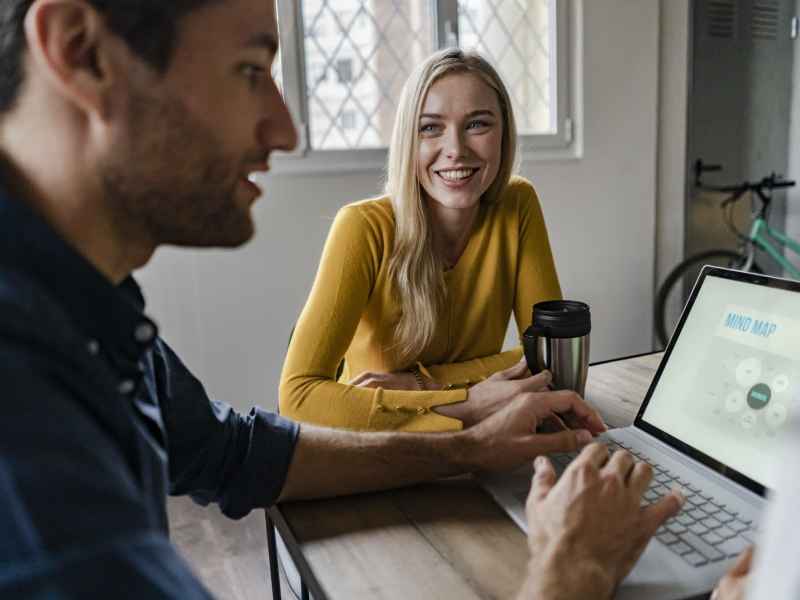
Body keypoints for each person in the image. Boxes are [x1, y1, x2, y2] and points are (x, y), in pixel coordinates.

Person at [0, 1, 751, 598]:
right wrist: (571, 574)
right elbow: (300, 396)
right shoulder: (23, 383)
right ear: (81, 51)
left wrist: (461, 440)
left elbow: (230, 451)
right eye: (248, 69)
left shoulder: (88, 308)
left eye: (478, 124)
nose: (287, 131)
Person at [279, 48, 562, 432]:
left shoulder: (518, 203)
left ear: (504, 133)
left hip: (482, 436)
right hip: (374, 445)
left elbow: (551, 353)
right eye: (430, 128)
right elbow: (298, 396)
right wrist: (467, 400)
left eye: (477, 124)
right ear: (408, 141)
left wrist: (425, 384)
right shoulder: (361, 227)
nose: (456, 150)